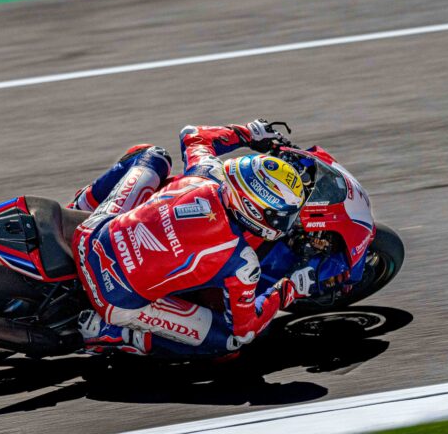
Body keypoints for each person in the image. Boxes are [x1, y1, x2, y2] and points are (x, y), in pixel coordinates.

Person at [70, 120, 318, 357]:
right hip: (114, 300)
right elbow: (245, 330)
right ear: (254, 211)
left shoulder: (206, 173)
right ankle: (114, 333)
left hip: (88, 236)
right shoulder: (243, 262)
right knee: (230, 342)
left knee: (151, 155)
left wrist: (249, 133)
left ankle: (74, 209)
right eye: (283, 215)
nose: (288, 220)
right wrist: (289, 289)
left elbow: (192, 134)